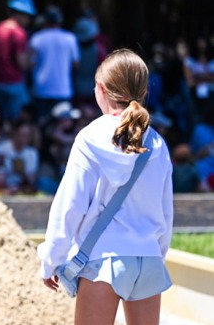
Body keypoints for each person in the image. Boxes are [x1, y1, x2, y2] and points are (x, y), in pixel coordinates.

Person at [38, 49, 174, 325]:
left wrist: (52, 259)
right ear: (145, 91)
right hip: (147, 259)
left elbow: (70, 206)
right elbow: (165, 211)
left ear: (100, 89)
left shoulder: (90, 137)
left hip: (103, 261)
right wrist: (154, 253)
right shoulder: (158, 143)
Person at [0, 0, 35, 123]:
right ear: (21, 14)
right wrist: (31, 61)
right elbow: (21, 62)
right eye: (27, 16)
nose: (28, 20)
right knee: (15, 121)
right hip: (14, 83)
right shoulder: (19, 33)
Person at [29, 5, 80, 123]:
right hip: (63, 89)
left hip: (41, 89)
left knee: (42, 124)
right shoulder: (70, 38)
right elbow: (76, 64)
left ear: (45, 21)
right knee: (62, 125)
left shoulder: (36, 38)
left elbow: (31, 63)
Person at [0, 120, 40, 194]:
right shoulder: (2, 148)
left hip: (22, 187)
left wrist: (22, 171)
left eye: (27, 136)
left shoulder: (32, 153)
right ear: (15, 133)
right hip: (2, 185)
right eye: (22, 134)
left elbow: (32, 180)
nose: (24, 138)